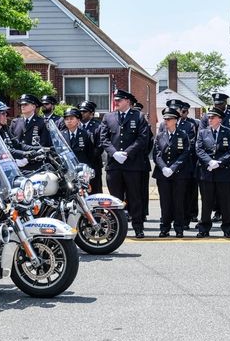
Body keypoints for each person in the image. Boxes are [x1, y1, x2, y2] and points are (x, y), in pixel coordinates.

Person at [99, 89, 150, 238]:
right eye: (115, 100)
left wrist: (127, 153)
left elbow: (142, 139)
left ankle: (138, 227)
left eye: (119, 100)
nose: (116, 102)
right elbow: (104, 139)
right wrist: (114, 153)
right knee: (115, 199)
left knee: (135, 197)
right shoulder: (108, 117)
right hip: (114, 165)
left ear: (127, 101)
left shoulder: (138, 116)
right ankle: (115, 228)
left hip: (132, 165)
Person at [199, 93, 230, 224]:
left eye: (220, 103)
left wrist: (223, 129)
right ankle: (217, 213)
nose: (218, 105)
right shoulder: (206, 117)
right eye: (216, 103)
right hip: (210, 160)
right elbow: (203, 134)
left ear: (225, 103)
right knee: (211, 192)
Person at [195, 107, 230, 238]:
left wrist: (219, 162)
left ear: (220, 119)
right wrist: (209, 162)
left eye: (212, 117)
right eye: (209, 117)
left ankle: (228, 228)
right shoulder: (203, 132)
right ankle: (204, 228)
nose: (210, 119)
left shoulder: (228, 132)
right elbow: (199, 149)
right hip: (207, 173)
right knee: (207, 202)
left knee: (225, 202)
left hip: (223, 173)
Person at [153, 107, 191, 238]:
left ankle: (179, 228)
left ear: (175, 120)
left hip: (179, 174)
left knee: (178, 201)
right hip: (163, 174)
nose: (166, 121)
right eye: (165, 119)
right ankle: (165, 227)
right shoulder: (160, 135)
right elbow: (156, 154)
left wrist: (173, 168)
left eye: (168, 119)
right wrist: (164, 168)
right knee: (165, 202)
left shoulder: (182, 135)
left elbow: (185, 153)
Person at [0, 100, 42, 166]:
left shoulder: (4, 128)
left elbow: (17, 145)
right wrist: (24, 154)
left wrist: (39, 148)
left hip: (9, 167)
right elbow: (2, 150)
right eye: (3, 113)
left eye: (6, 113)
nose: (6, 115)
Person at [10, 94, 51, 170]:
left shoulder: (42, 123)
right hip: (17, 164)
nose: (22, 106)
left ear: (33, 106)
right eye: (21, 104)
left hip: (36, 165)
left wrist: (28, 159)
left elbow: (44, 145)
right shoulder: (15, 122)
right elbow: (11, 144)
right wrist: (18, 157)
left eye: (25, 104)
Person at [78, 100, 103, 193]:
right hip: (77, 165)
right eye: (80, 111)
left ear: (91, 113)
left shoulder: (98, 126)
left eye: (84, 112)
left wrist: (87, 159)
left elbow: (99, 146)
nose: (81, 113)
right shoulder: (75, 125)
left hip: (93, 165)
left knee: (94, 192)